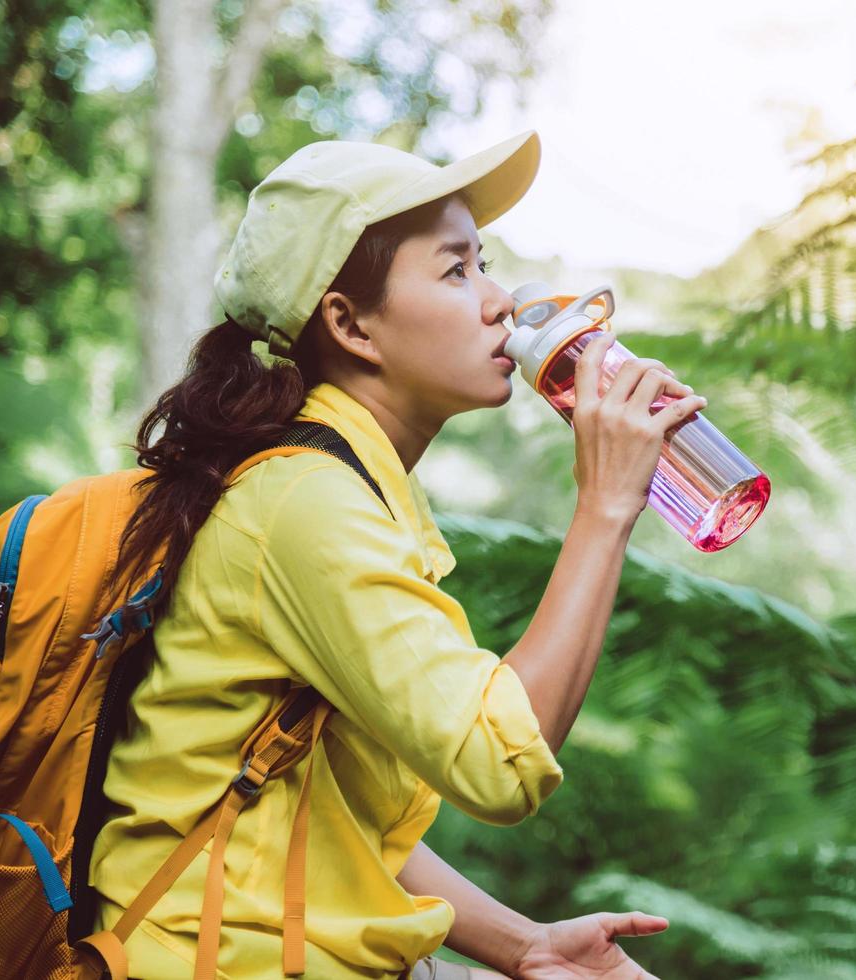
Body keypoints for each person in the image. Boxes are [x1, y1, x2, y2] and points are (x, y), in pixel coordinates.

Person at [88, 132, 702, 978]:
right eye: (457, 272)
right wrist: (605, 504)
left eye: (483, 265)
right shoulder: (307, 503)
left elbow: (339, 809)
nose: (500, 304)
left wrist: (523, 946)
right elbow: (499, 767)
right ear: (350, 324)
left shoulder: (356, 488)